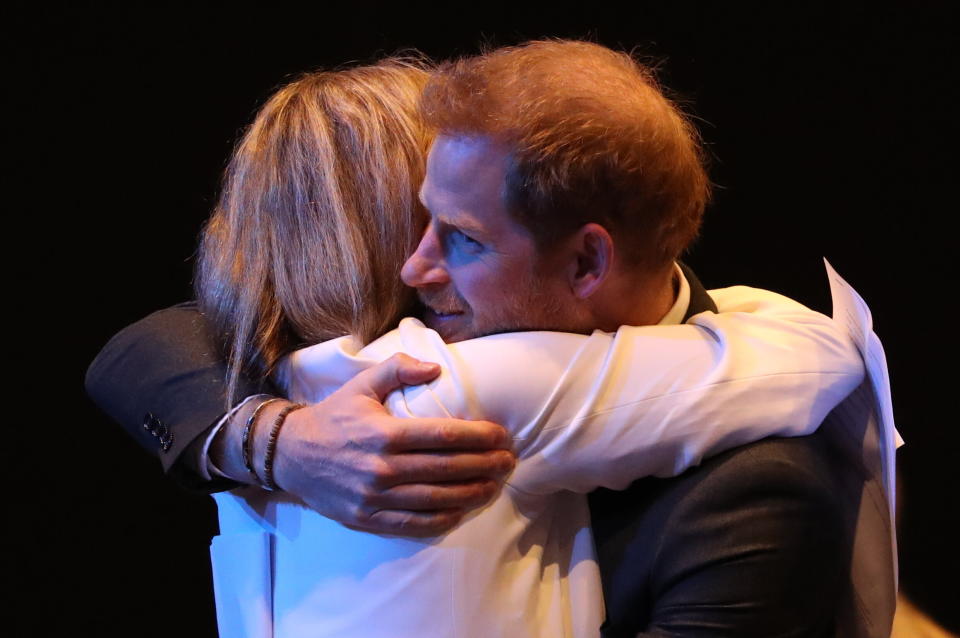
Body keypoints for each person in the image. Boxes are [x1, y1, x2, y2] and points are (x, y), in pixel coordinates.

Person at [85, 42, 893, 637]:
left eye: (459, 233)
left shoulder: (753, 490)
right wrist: (278, 443)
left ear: (585, 258)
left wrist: (269, 438)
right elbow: (803, 361)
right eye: (417, 216)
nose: (419, 263)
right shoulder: (405, 387)